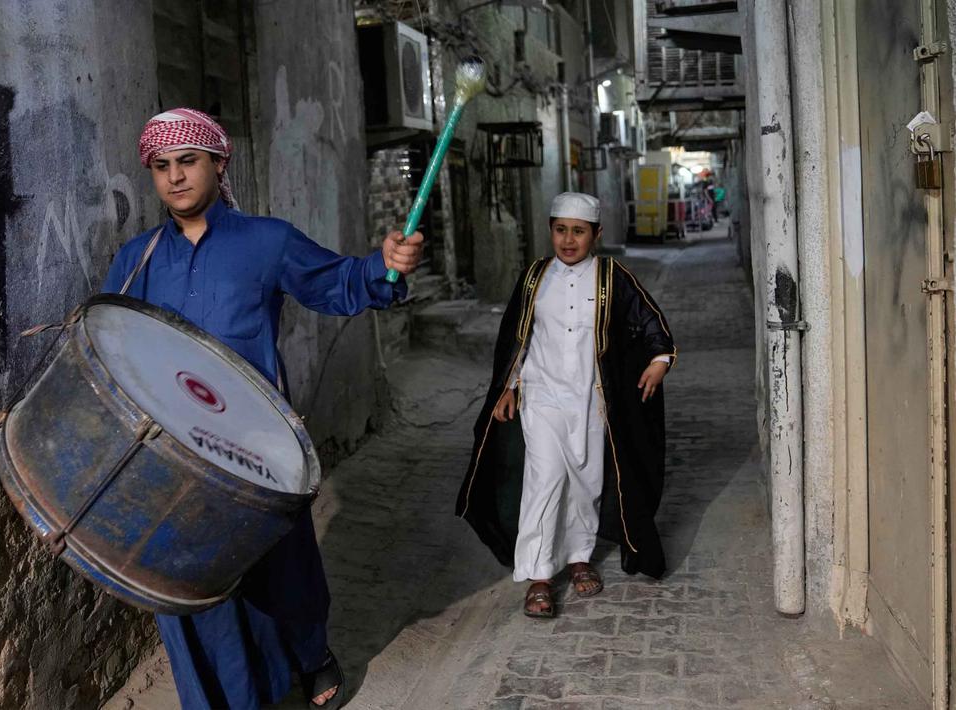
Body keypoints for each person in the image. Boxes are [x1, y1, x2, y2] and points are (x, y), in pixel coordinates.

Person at [100, 108, 423, 709]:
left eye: (188, 162)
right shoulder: (136, 259)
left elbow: (341, 282)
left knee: (284, 570)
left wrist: (386, 268)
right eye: (162, 167)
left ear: (219, 164)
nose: (174, 178)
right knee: (190, 585)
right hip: (172, 453)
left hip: (259, 441)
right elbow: (111, 347)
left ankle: (309, 654)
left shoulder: (266, 241)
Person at [454, 192, 676, 618]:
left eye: (578, 232)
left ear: (596, 234)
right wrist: (509, 385)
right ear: (551, 231)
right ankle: (538, 575)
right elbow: (516, 339)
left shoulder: (613, 277)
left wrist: (659, 360)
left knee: (586, 482)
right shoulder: (535, 278)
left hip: (592, 400)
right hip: (543, 397)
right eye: (561, 230)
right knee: (545, 480)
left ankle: (578, 557)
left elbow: (649, 321)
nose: (568, 240)